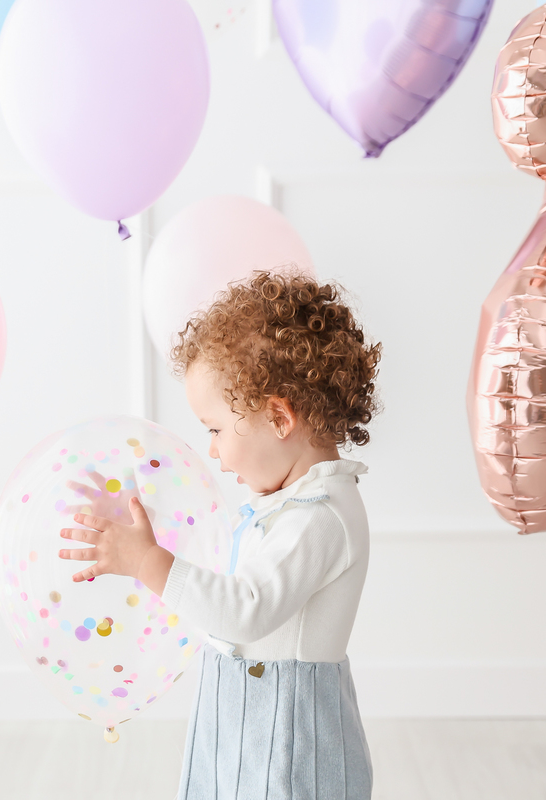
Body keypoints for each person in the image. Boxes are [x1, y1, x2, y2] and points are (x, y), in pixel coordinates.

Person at [58, 271, 382, 799]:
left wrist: (146, 562)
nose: (211, 449)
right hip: (241, 725)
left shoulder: (320, 518)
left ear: (278, 418)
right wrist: (138, 531)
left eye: (215, 429)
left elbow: (244, 609)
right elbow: (215, 577)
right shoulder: (283, 506)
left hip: (290, 747)